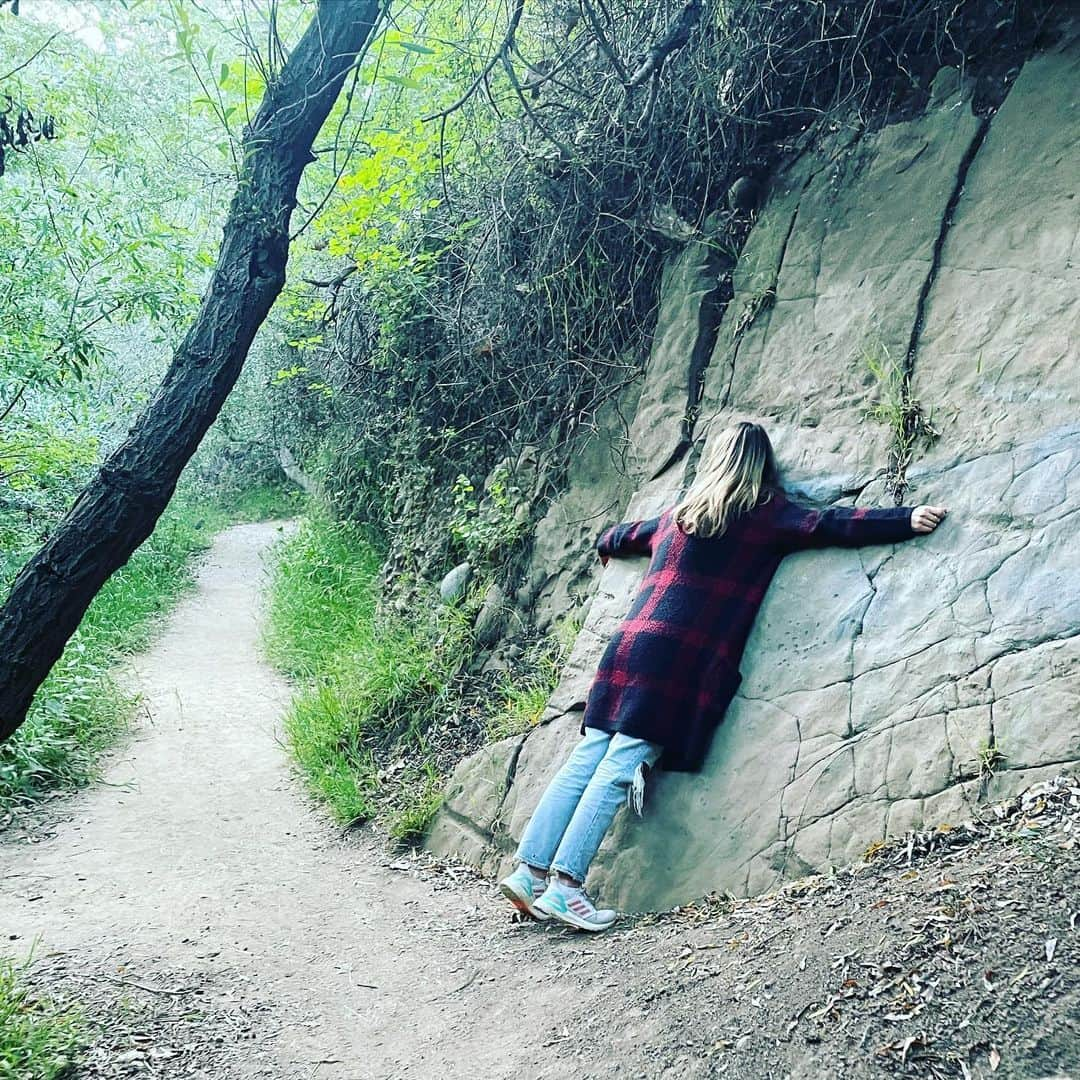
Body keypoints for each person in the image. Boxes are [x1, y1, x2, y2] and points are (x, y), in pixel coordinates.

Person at [499, 420, 948, 931]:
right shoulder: (762, 516)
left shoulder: (676, 517)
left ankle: (529, 872)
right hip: (673, 658)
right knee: (621, 764)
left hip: (625, 646)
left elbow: (621, 536)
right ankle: (565, 888)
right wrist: (904, 517)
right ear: (763, 468)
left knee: (587, 756)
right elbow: (832, 524)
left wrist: (606, 545)